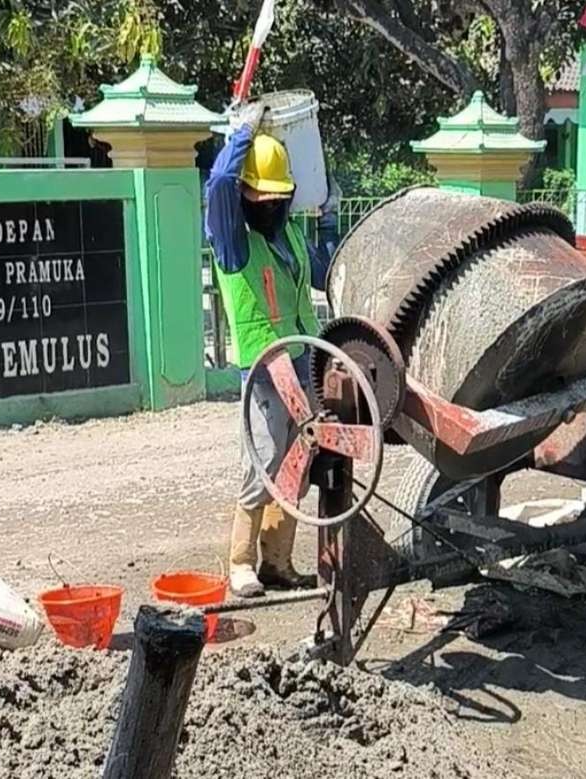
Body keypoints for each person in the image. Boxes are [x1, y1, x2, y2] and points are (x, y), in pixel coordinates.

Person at [205, 102, 341, 598]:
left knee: (300, 456)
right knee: (263, 458)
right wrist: (238, 136)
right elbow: (219, 186)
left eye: (277, 197)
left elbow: (324, 273)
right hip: (263, 366)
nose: (268, 205)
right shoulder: (233, 243)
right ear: (243, 197)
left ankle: (277, 562)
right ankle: (241, 563)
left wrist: (328, 219)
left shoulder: (293, 236)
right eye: (258, 197)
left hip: (302, 358)